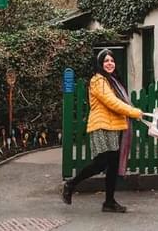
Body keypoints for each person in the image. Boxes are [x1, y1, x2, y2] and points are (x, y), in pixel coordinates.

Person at [62, 49, 142, 213]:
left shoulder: (112, 81)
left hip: (113, 127)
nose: (110, 63)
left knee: (112, 165)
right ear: (100, 64)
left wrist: (133, 112)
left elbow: (117, 103)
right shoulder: (98, 81)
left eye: (112, 61)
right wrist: (133, 112)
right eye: (106, 61)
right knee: (101, 163)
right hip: (101, 126)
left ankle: (109, 202)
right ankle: (71, 184)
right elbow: (111, 102)